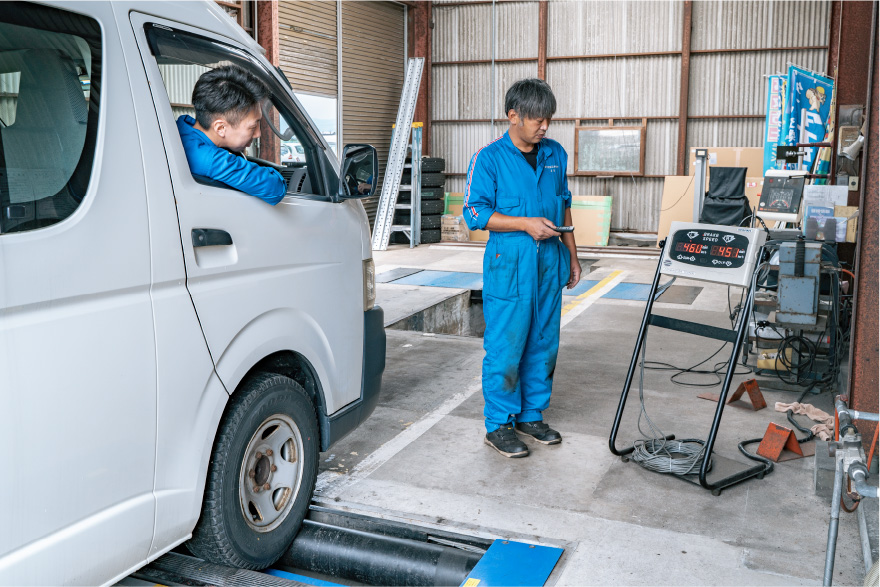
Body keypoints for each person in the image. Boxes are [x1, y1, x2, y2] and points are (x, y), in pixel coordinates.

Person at [463, 78, 580, 458]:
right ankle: (498, 423)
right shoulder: (489, 158)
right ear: (513, 116)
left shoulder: (555, 154)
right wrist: (525, 223)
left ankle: (530, 415)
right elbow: (475, 213)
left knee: (544, 341)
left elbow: (564, 208)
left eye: (548, 119)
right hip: (509, 263)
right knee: (506, 345)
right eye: (536, 119)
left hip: (549, 263)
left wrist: (573, 257)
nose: (544, 126)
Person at [176, 65, 287, 204]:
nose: (258, 134)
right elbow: (276, 189)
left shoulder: (181, 127)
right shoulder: (211, 160)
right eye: (253, 126)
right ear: (221, 127)